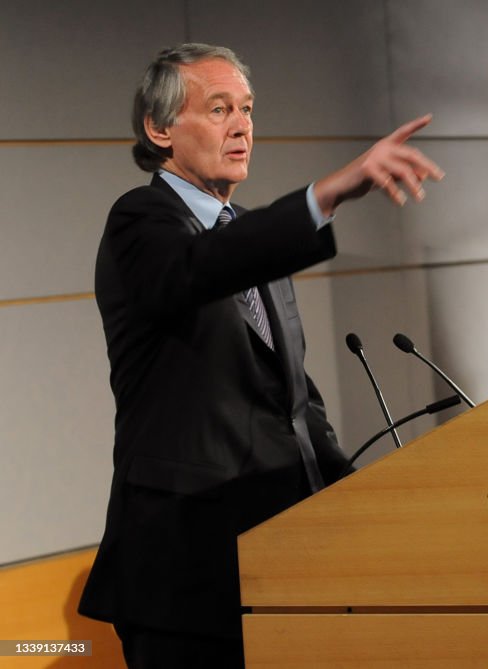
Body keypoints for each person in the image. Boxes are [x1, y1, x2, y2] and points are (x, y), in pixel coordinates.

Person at [78, 43, 443, 668]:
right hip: (186, 579)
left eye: (247, 108)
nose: (243, 125)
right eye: (219, 109)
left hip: (278, 566)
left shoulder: (246, 232)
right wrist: (323, 197)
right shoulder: (140, 224)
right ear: (159, 128)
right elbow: (199, 270)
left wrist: (359, 501)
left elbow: (293, 402)